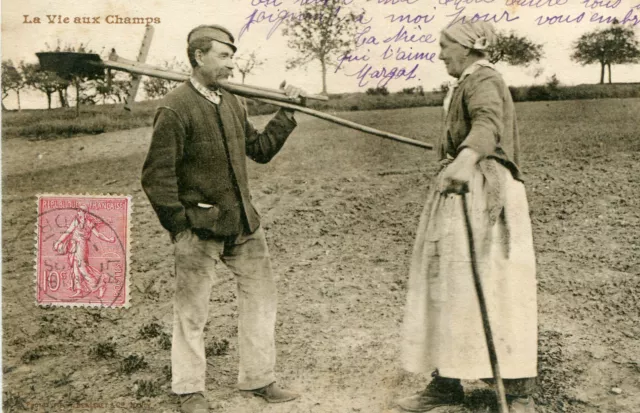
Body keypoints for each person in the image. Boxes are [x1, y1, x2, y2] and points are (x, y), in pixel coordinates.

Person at [141, 25, 305, 413]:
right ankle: (189, 390)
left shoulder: (232, 102)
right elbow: (156, 176)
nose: (231, 64)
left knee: (261, 302)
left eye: (232, 56)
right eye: (224, 56)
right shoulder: (174, 108)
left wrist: (288, 113)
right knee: (192, 312)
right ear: (199, 57)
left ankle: (259, 379)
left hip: (244, 225)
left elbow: (260, 150)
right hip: (199, 229)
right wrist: (180, 225)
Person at [396, 21, 538, 413]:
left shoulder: (484, 79)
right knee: (449, 282)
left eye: (445, 46)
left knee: (495, 284)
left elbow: (488, 124)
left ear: (466, 48)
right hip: (461, 189)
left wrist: (463, 161)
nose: (440, 54)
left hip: (481, 191)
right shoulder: (464, 83)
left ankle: (515, 390)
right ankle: (446, 383)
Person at [53, 205, 115, 298]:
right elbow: (68, 231)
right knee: (75, 269)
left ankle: (100, 285)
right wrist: (59, 241)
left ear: (85, 212)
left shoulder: (89, 223)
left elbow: (98, 235)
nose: (79, 213)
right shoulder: (76, 220)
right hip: (73, 246)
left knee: (82, 268)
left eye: (81, 211)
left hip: (82, 246)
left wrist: (109, 239)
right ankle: (79, 290)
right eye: (78, 211)